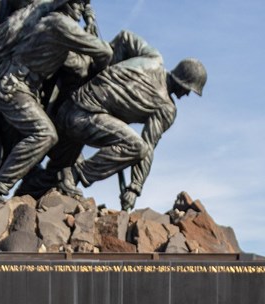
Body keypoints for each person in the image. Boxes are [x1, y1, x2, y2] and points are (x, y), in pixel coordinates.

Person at [30, 31, 204, 210]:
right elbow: (147, 146)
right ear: (183, 82)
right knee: (136, 147)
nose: (188, 94)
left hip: (69, 107)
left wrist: (106, 71)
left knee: (49, 178)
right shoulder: (166, 108)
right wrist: (135, 188)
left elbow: (125, 38)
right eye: (189, 89)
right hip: (82, 119)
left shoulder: (153, 58)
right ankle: (74, 175)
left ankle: (29, 197)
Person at [0, 0, 112, 205]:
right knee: (45, 134)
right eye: (77, 3)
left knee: (59, 131)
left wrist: (90, 27)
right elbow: (104, 52)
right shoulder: (59, 23)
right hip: (14, 89)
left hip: (27, 90)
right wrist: (99, 69)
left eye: (84, 5)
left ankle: (54, 181)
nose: (80, 8)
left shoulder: (54, 24)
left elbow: (77, 64)